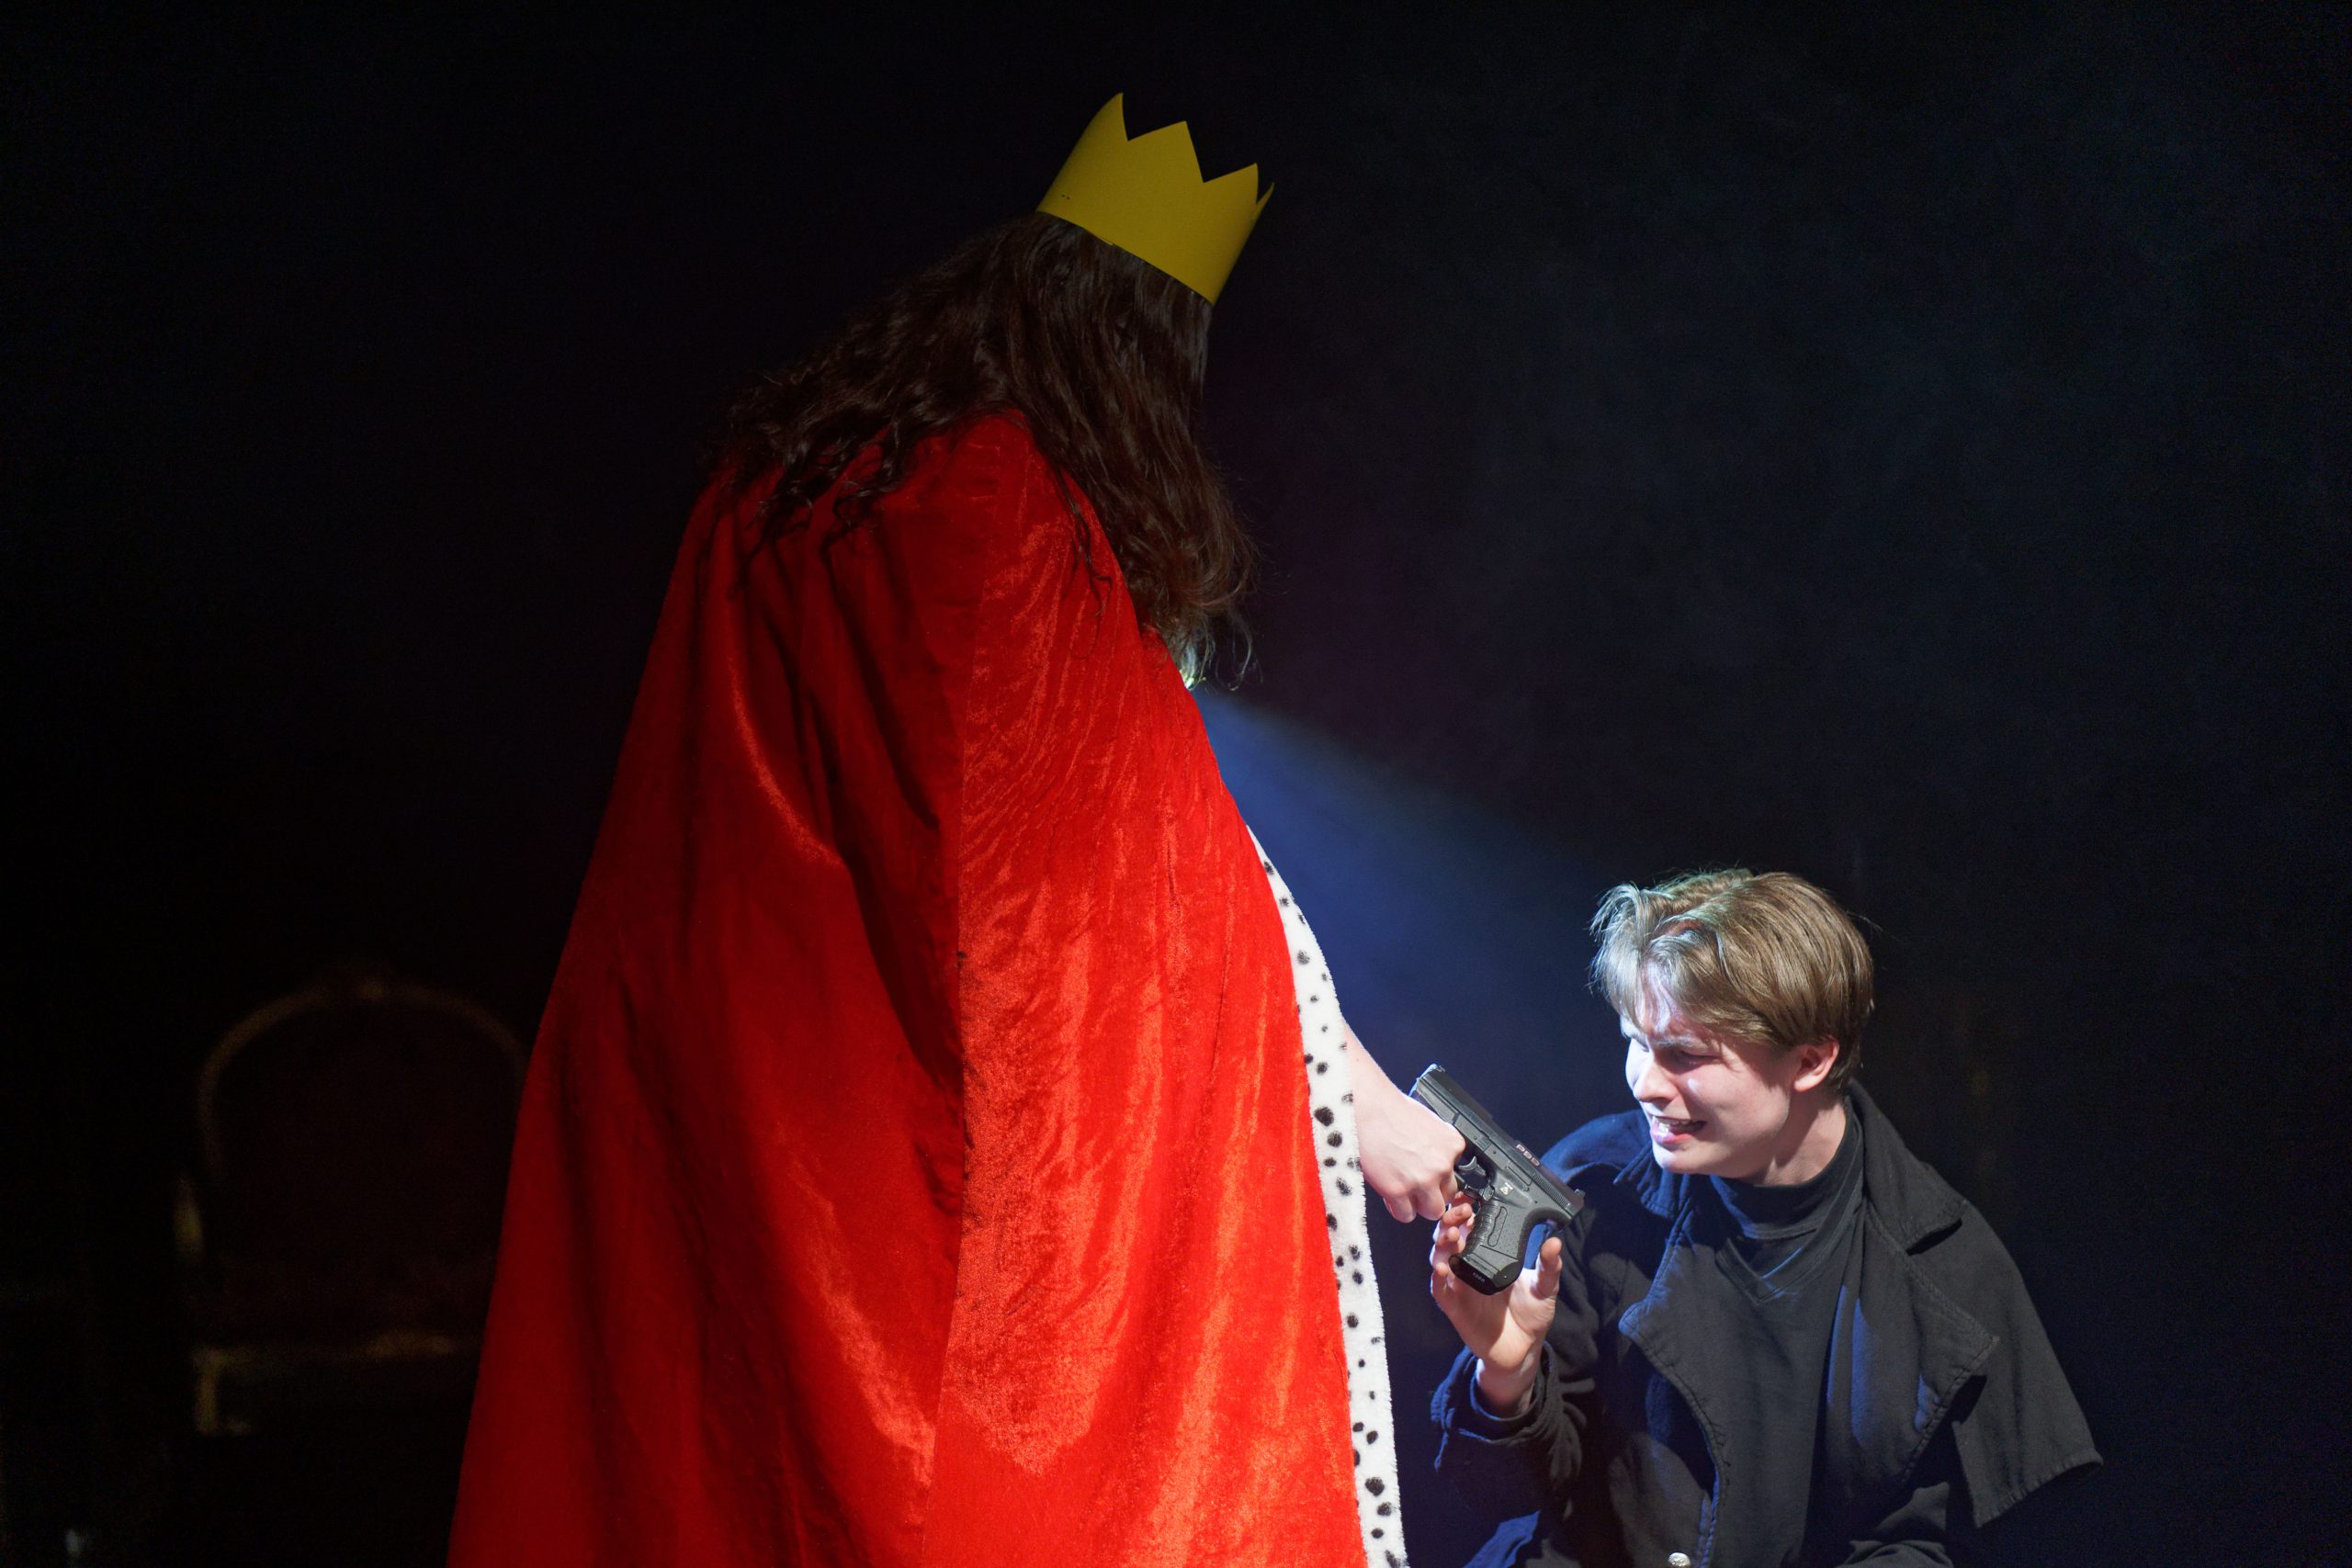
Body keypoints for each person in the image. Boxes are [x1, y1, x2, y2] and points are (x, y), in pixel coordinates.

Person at [446, 96, 1461, 1568]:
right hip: (938, 1127)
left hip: (745, 1088)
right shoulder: (1017, 510)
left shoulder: (778, 482)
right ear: (1127, 353)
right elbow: (1141, 899)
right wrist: (1352, 1101)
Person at [1427, 871, 2098, 1566]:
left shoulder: (1945, 1270)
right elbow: (1501, 1494)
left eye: (1686, 1054)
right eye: (1637, 1040)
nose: (1645, 1083)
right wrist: (1505, 1379)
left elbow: (1927, 1543)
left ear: (1811, 1059)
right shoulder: (1593, 1187)